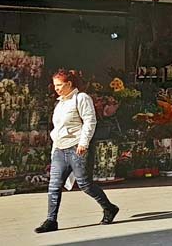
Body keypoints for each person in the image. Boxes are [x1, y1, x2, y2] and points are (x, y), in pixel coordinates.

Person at [35, 70, 118, 234]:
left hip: (77, 147)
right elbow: (58, 128)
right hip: (60, 148)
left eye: (59, 85)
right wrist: (54, 149)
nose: (56, 88)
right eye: (55, 85)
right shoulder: (60, 103)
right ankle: (51, 220)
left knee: (85, 184)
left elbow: (89, 121)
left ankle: (109, 208)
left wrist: (83, 143)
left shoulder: (81, 98)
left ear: (69, 84)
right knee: (54, 185)